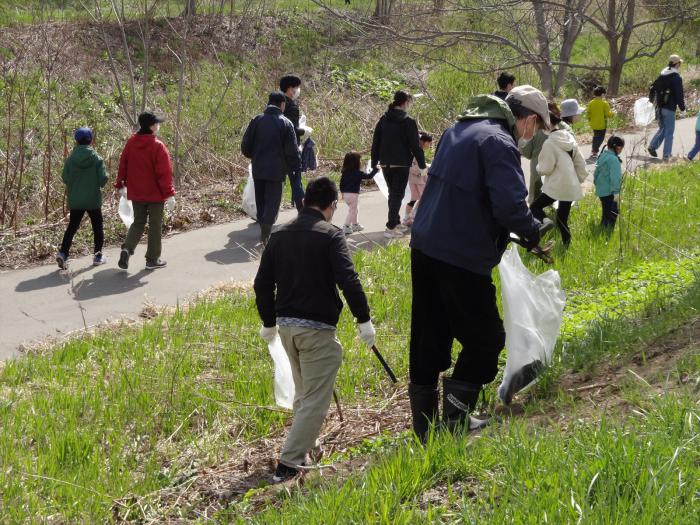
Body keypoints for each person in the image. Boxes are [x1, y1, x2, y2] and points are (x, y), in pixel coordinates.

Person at [408, 86, 546, 442]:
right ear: (527, 119)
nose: (532, 134)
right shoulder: (499, 142)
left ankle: (425, 432)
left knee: (429, 334)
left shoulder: (458, 130)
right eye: (536, 126)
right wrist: (534, 231)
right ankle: (454, 421)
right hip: (459, 254)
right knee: (486, 339)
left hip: (425, 246)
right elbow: (510, 206)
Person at [254, 177, 376, 482]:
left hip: (286, 329)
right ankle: (289, 463)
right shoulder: (331, 235)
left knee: (304, 393)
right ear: (332, 205)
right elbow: (349, 280)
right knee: (315, 401)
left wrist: (268, 323)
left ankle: (305, 445)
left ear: (305, 201)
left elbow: (262, 284)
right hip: (316, 331)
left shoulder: (279, 234)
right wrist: (364, 320)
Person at [115, 112, 175, 271]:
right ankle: (152, 259)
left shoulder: (131, 142)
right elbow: (164, 173)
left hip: (136, 192)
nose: (159, 125)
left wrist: (120, 184)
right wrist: (169, 194)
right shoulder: (158, 146)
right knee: (155, 225)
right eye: (157, 123)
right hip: (155, 194)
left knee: (138, 222)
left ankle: (127, 249)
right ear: (152, 126)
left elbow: (123, 164)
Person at [241, 91, 301, 245]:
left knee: (261, 201)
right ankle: (266, 234)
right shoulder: (285, 123)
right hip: (276, 171)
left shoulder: (256, 120)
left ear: (268, 103)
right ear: (282, 105)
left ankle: (263, 230)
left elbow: (246, 147)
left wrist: (255, 156)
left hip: (258, 169)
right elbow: (292, 152)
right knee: (272, 202)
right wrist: (295, 169)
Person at [371, 90, 427, 238]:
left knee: (393, 194)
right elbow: (415, 146)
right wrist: (422, 166)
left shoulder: (383, 119)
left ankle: (395, 222)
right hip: (401, 164)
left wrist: (374, 162)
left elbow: (376, 142)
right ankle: (390, 227)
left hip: (385, 163)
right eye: (409, 102)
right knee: (397, 195)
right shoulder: (408, 121)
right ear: (405, 102)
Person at [531, 104, 588, 247]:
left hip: (556, 186)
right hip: (570, 185)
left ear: (544, 126)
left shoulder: (549, 143)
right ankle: (566, 246)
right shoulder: (568, 136)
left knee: (534, 208)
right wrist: (578, 180)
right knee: (562, 219)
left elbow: (545, 169)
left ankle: (546, 222)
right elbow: (580, 161)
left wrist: (538, 167)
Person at [56, 127, 108, 269]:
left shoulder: (71, 159)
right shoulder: (97, 158)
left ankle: (63, 253)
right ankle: (97, 256)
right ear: (91, 140)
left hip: (76, 200)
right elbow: (103, 179)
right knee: (97, 227)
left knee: (72, 227)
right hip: (93, 199)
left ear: (76, 140)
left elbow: (65, 178)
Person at [520, 102, 561, 205]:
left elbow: (527, 152)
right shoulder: (563, 126)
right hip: (559, 168)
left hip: (538, 168)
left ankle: (537, 217)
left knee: (535, 200)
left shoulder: (535, 127)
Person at [648, 55, 686, 160]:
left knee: (663, 128)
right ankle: (666, 155)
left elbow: (653, 87)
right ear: (677, 64)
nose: (680, 65)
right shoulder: (676, 77)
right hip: (669, 108)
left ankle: (652, 146)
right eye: (680, 63)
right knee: (669, 131)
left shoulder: (662, 74)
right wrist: (682, 109)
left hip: (659, 107)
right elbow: (679, 95)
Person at [280, 75, 306, 211]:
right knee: (296, 182)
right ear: (290, 88)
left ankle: (268, 213)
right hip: (291, 150)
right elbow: (293, 130)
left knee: (278, 183)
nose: (297, 90)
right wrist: (304, 132)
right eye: (296, 87)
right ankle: (303, 212)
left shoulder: (276, 102)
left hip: (276, 150)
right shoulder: (292, 106)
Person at [339, 151, 375, 235]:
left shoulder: (344, 172)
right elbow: (369, 176)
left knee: (354, 209)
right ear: (356, 162)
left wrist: (342, 193)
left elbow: (341, 184)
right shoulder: (358, 173)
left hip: (346, 195)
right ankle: (346, 226)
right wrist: (375, 170)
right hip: (353, 195)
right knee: (352, 210)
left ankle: (355, 224)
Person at [594, 136, 624, 230]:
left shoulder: (603, 155)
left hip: (601, 190)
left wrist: (596, 183)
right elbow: (615, 178)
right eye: (621, 148)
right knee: (613, 213)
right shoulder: (614, 160)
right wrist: (616, 192)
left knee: (606, 212)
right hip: (610, 191)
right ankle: (607, 232)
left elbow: (596, 172)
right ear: (618, 148)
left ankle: (603, 229)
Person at [403, 132, 433, 226]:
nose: (430, 145)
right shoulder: (415, 151)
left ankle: (410, 216)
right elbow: (412, 167)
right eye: (429, 142)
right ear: (423, 141)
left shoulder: (417, 150)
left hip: (417, 180)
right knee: (422, 197)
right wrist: (423, 171)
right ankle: (411, 216)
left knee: (416, 198)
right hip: (417, 180)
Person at [586, 86, 614, 161]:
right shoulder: (604, 103)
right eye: (604, 94)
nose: (604, 96)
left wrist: (590, 119)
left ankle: (594, 151)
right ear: (602, 94)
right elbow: (608, 114)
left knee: (595, 137)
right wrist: (613, 113)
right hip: (602, 124)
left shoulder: (591, 103)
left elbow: (588, 113)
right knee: (600, 138)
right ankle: (594, 151)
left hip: (594, 124)